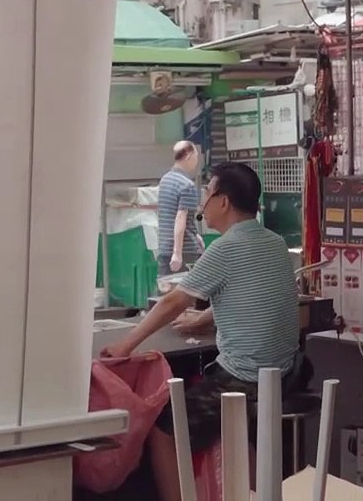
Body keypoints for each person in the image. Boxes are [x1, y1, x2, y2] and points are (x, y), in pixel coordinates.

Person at [101, 162, 304, 501]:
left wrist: (125, 343)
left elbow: (173, 303)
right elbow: (251, 290)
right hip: (283, 373)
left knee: (165, 431)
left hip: (244, 379)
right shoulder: (274, 242)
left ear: (223, 201)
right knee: (235, 429)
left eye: (207, 193)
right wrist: (209, 315)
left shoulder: (224, 248)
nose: (202, 204)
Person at [157, 140, 204, 275]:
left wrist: (195, 235)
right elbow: (180, 218)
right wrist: (177, 253)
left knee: (166, 290)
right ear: (188, 155)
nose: (196, 160)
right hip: (184, 251)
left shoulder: (165, 180)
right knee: (185, 293)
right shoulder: (187, 185)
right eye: (196, 155)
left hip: (165, 247)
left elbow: (169, 214)